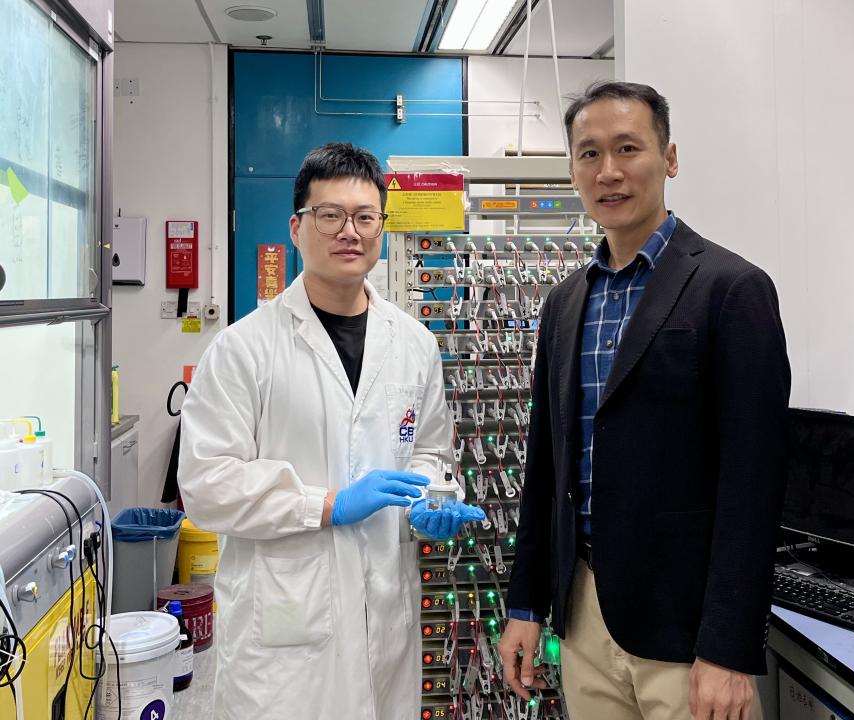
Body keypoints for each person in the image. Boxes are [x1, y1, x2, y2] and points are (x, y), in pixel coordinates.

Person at [498, 82, 791, 720]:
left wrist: (729, 647)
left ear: (670, 158)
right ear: (573, 169)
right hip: (581, 620)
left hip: (685, 638)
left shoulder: (731, 289)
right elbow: (544, 470)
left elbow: (754, 483)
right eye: (589, 154)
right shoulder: (565, 302)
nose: (609, 171)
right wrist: (525, 604)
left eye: (628, 148)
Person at [179, 142, 484, 720]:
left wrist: (428, 499)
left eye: (365, 217)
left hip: (384, 610)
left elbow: (430, 451)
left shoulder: (413, 343)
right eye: (331, 215)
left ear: (382, 228)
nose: (350, 231)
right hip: (285, 626)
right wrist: (326, 504)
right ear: (297, 227)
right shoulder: (245, 349)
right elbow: (205, 483)